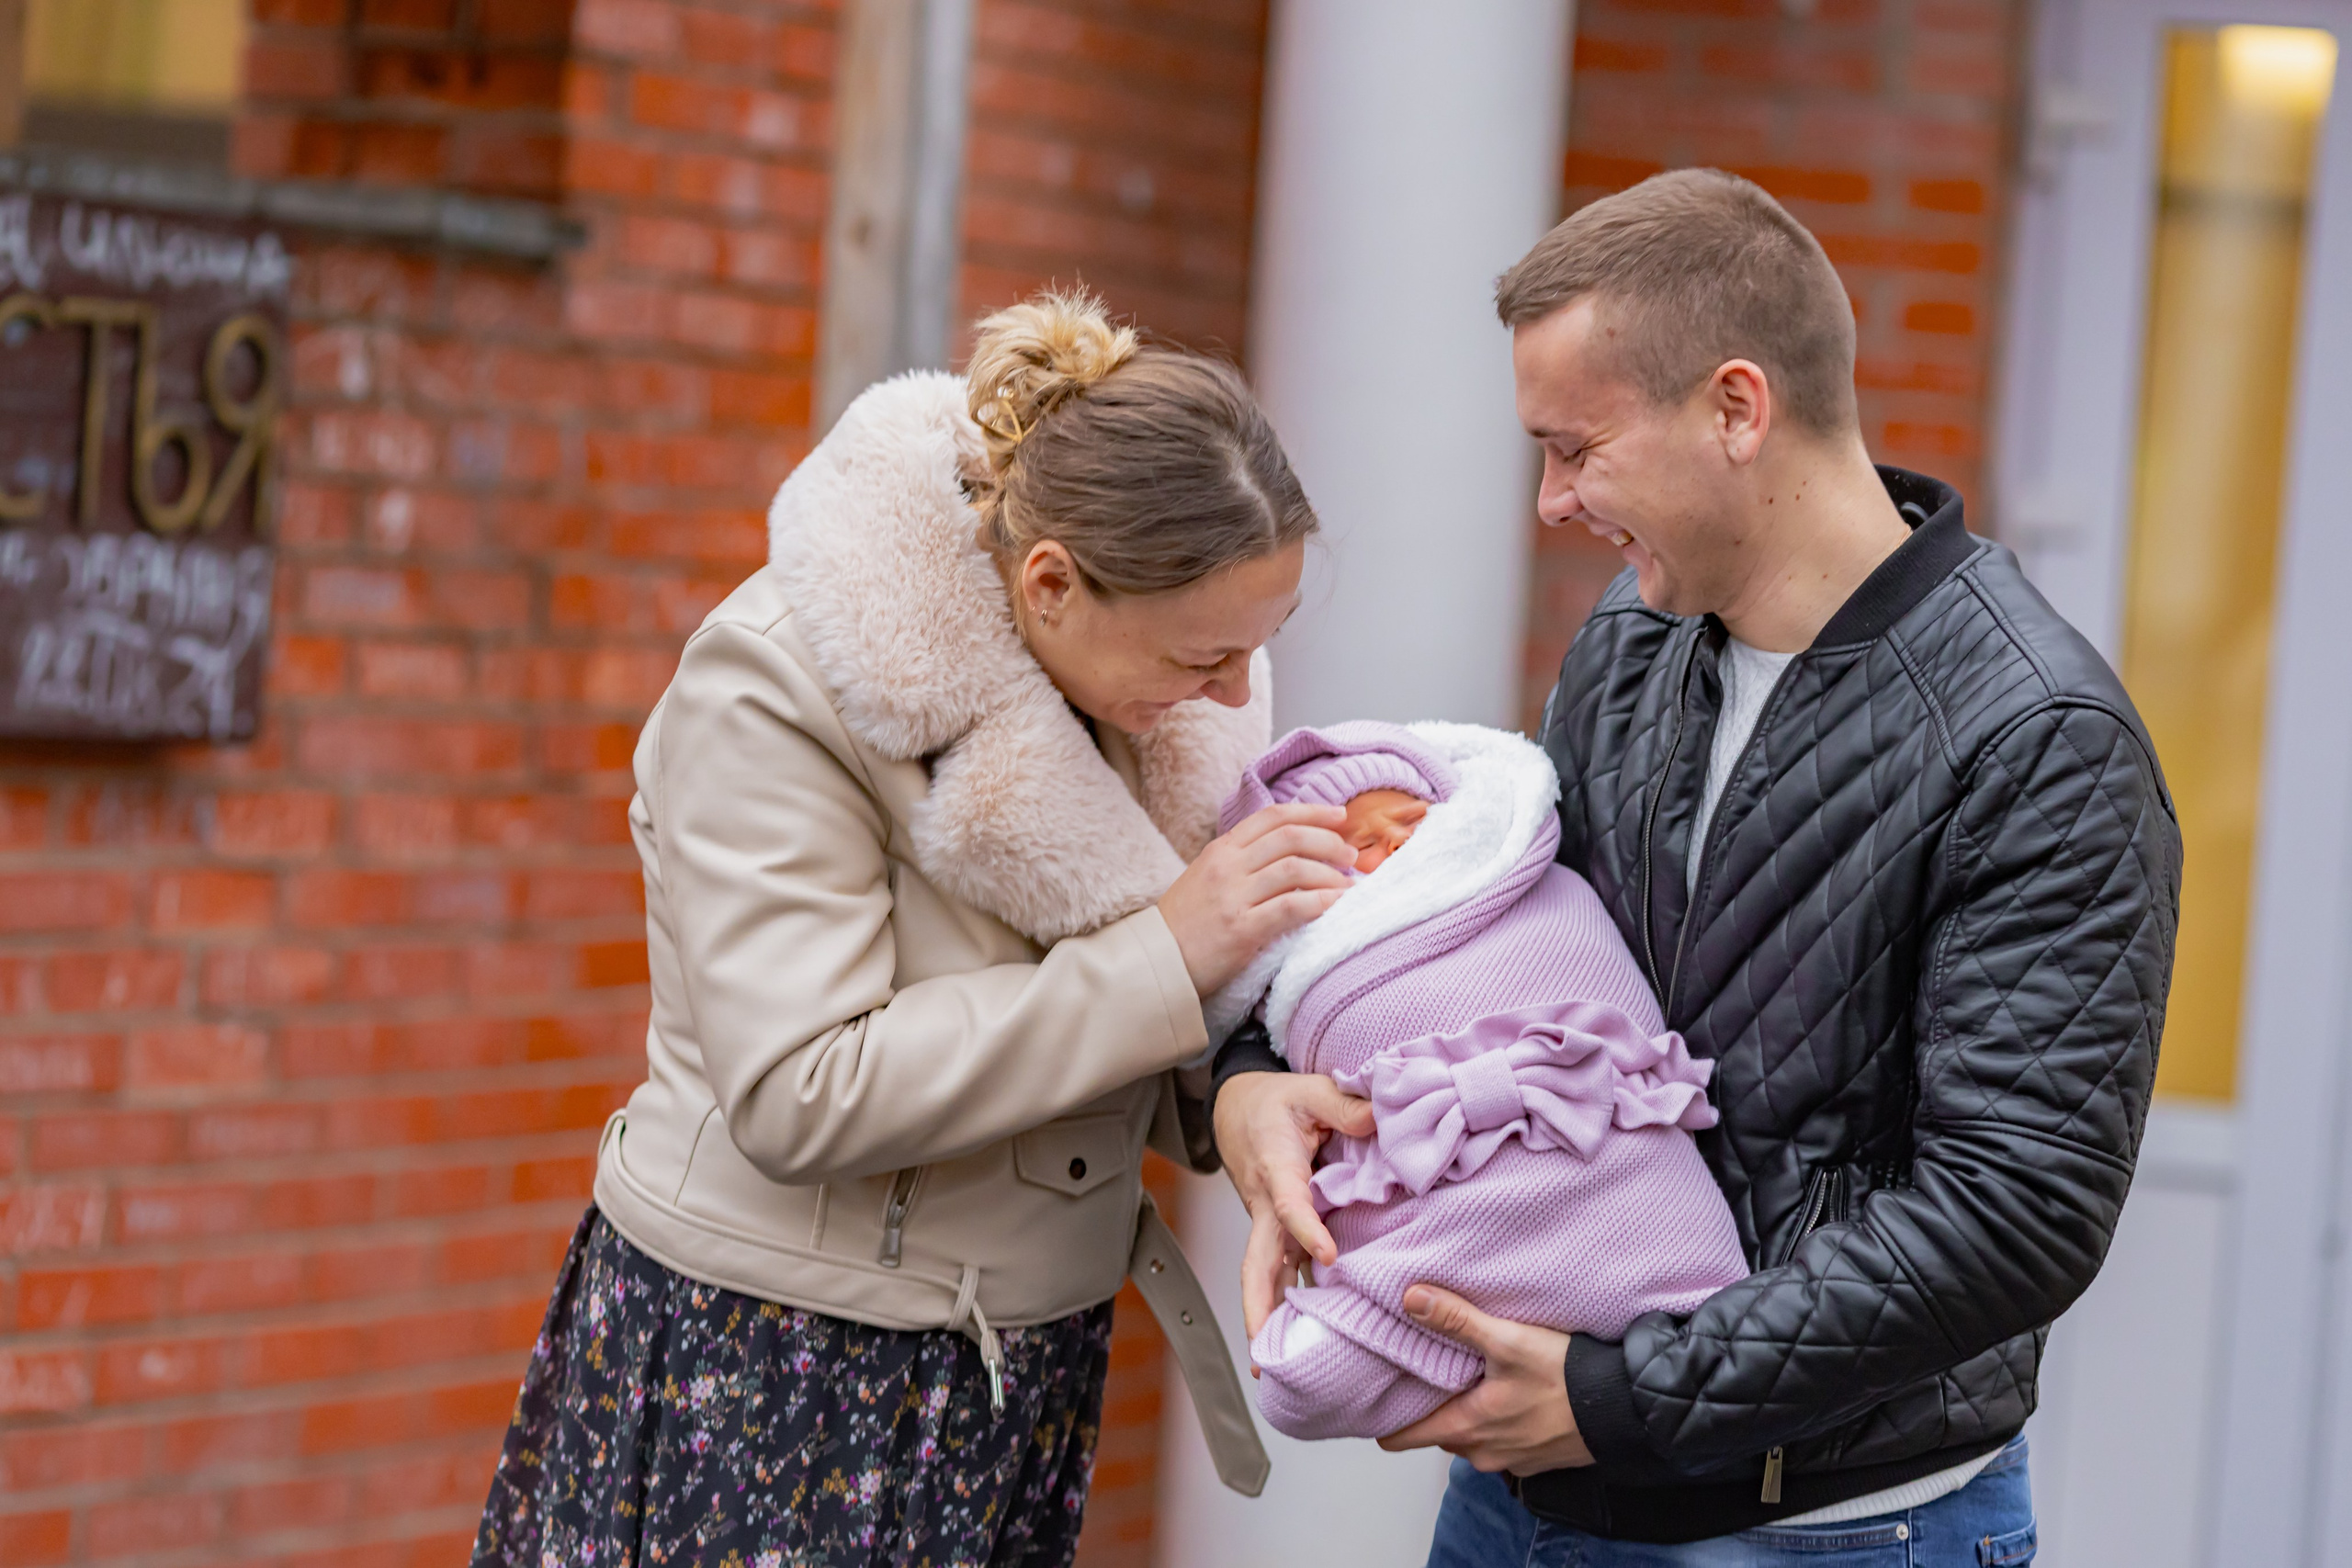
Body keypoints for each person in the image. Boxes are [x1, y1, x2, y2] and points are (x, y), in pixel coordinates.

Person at [1211, 169, 2181, 1562]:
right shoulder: (1634, 639)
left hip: (1833, 1533)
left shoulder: (2040, 737)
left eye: (1576, 449)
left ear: (1737, 407)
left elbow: (2015, 1207)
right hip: (1523, 1502)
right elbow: (1471, 936)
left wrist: (1622, 1394)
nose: (1550, 501)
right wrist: (1252, 1078)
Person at [469, 290, 1363, 1568]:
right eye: (1202, 654)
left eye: (1253, 650)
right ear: (1051, 584)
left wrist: (1248, 1080)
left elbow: (1155, 1017)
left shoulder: (1152, 697)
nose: (1234, 695)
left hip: (1019, 1373)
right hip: (782, 1360)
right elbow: (800, 1084)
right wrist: (1168, 953)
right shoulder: (780, 685)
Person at [1208, 720, 1747, 1442]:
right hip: (1507, 1503)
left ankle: (1655, 1279)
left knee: (1714, 1289)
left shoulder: (1521, 879)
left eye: (1410, 820)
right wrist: (1242, 1080)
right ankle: (1412, 1300)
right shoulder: (1622, 657)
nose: (1395, 847)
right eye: (1358, 851)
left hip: (1761, 1424)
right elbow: (1266, 1001)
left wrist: (1615, 1397)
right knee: (1305, 1376)